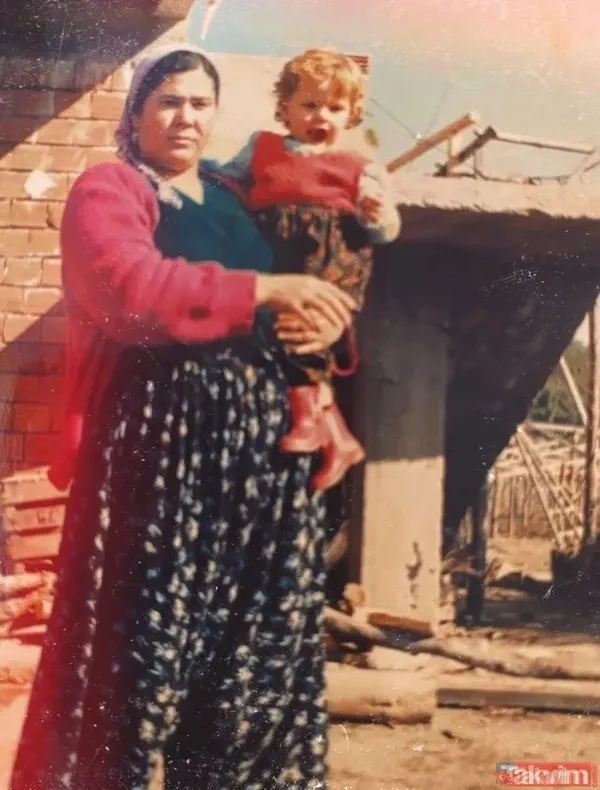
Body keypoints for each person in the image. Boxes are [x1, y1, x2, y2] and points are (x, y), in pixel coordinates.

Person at [9, 44, 356, 790]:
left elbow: (303, 296)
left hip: (258, 467)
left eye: (201, 104)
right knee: (137, 661)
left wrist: (316, 348)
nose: (186, 117)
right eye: (168, 101)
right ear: (134, 116)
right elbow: (128, 288)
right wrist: (265, 294)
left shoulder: (235, 205)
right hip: (156, 456)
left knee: (250, 667)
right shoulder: (112, 190)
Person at [211, 47, 400, 493]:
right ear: (285, 108)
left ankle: (312, 423)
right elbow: (229, 178)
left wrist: (375, 212)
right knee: (275, 330)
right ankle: (336, 437)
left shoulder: (361, 167)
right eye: (310, 105)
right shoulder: (263, 148)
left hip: (329, 259)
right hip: (277, 255)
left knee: (304, 333)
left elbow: (385, 229)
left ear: (351, 114)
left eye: (335, 108)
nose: (322, 116)